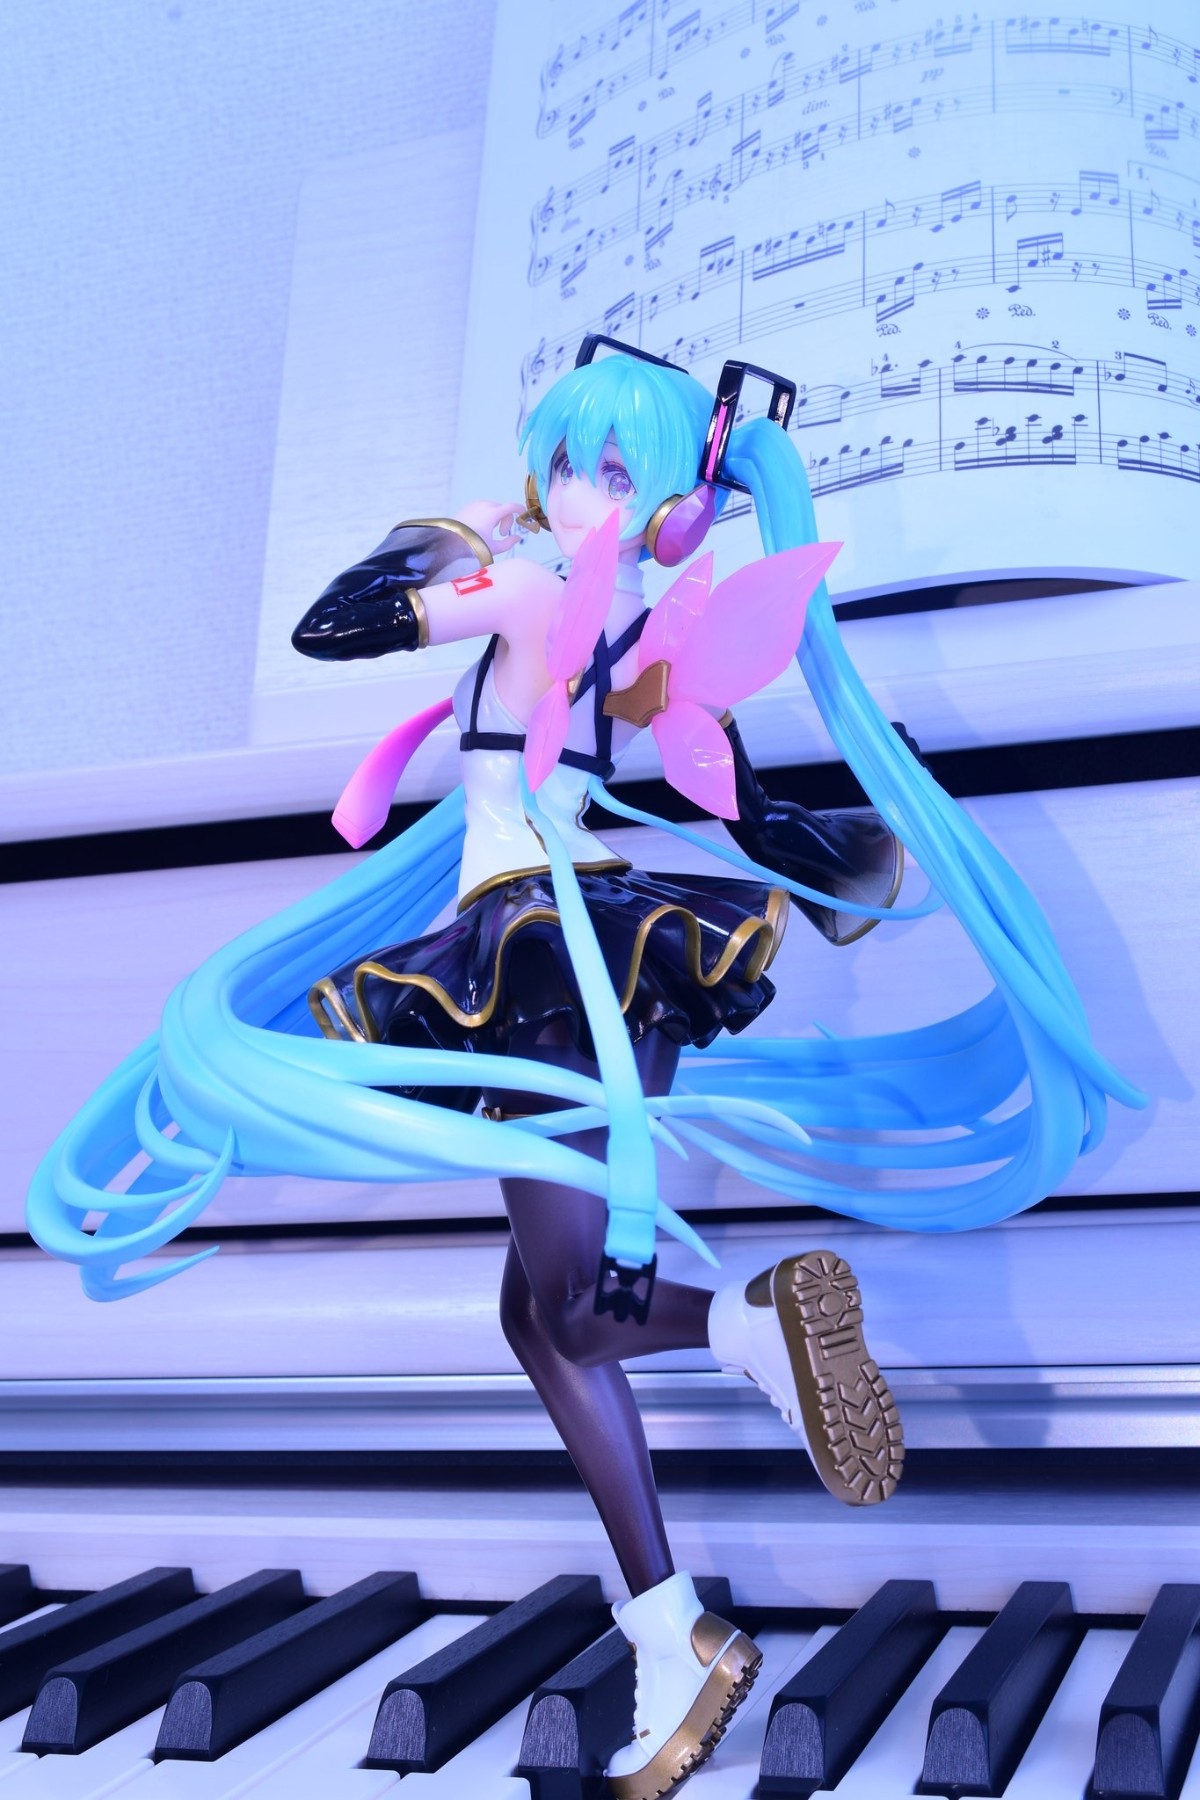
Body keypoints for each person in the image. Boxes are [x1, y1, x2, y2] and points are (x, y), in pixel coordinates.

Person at [27, 340, 1143, 1800]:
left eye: (614, 468)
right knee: (539, 1319)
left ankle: (746, 1325)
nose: (577, 489)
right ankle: (670, 1630)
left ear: (669, 491)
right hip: (623, 944)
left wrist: (467, 541)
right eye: (568, 460)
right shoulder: (646, 635)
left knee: (571, 1303)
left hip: (534, 953)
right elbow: (731, 798)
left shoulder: (535, 591)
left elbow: (335, 627)